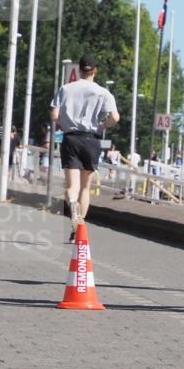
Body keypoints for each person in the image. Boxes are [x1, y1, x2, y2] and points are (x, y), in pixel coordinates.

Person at [51, 54, 120, 241]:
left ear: (79, 69)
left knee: (71, 186)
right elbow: (115, 117)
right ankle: (79, 227)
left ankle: (71, 204)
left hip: (71, 138)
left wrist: (65, 121)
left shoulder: (65, 89)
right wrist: (102, 126)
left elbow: (55, 115)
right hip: (92, 139)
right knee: (85, 187)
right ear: (95, 70)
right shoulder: (103, 92)